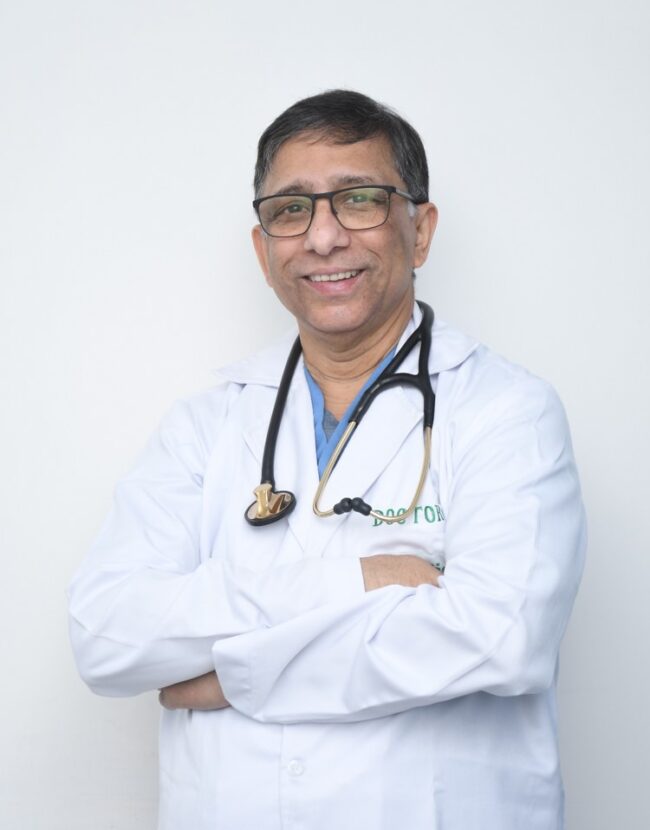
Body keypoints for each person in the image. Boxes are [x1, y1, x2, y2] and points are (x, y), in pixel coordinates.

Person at [68, 89, 586, 830]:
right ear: (263, 250)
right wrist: (360, 579)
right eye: (291, 209)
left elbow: (503, 639)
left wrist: (237, 675)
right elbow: (107, 636)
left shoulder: (507, 411)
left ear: (421, 230)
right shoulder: (204, 426)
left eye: (359, 200)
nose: (322, 236)